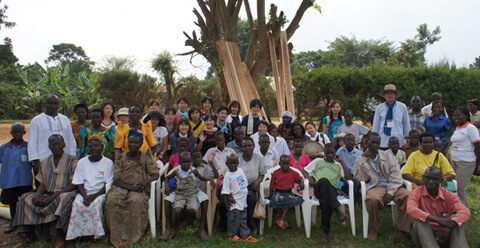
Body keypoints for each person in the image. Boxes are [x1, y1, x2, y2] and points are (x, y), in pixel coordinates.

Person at [13, 135, 78, 248]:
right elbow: (42, 183)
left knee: (64, 199)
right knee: (25, 198)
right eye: (53, 144)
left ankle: (59, 237)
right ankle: (28, 234)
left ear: (64, 145)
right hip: (48, 192)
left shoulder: (72, 160)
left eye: (58, 144)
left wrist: (55, 196)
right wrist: (38, 194)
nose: (56, 146)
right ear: (49, 146)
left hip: (65, 192)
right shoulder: (45, 161)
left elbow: (74, 183)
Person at [353, 132, 412, 241]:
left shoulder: (387, 156)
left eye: (377, 143)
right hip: (375, 187)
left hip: (392, 185)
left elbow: (396, 176)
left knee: (409, 197)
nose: (375, 145)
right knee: (371, 199)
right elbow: (359, 178)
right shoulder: (362, 157)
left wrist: (390, 193)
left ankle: (403, 230)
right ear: (367, 143)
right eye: (372, 142)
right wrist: (362, 159)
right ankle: (375, 228)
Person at [104, 131, 159, 247]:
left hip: (140, 188)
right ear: (127, 143)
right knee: (112, 200)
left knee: (136, 201)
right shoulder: (121, 158)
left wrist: (146, 181)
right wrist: (130, 187)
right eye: (131, 142)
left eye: (136, 142)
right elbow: (116, 179)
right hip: (122, 186)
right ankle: (116, 235)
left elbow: (155, 174)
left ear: (140, 144)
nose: (133, 144)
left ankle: (133, 236)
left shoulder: (145, 157)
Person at [407, 166, 471, 248]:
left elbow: (465, 212)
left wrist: (450, 224)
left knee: (457, 219)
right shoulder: (416, 192)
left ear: (441, 181)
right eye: (427, 178)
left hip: (445, 235)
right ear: (423, 179)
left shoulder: (448, 195)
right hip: (423, 236)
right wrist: (439, 220)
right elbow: (411, 209)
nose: (430, 182)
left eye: (435, 179)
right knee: (420, 220)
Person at [66, 135, 114, 241]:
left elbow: (107, 183)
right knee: (77, 204)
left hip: (100, 193)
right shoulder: (82, 162)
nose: (93, 148)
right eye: (91, 146)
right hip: (85, 192)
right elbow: (79, 182)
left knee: (95, 204)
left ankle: (97, 234)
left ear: (102, 147)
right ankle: (78, 235)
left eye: (96, 146)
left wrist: (94, 196)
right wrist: (85, 196)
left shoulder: (108, 163)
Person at [302, 143, 351, 244]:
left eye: (332, 153)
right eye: (327, 153)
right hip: (319, 189)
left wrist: (341, 161)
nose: (330, 155)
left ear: (335, 154)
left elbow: (348, 177)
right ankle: (337, 209)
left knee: (324, 202)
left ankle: (325, 233)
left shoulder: (338, 165)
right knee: (324, 180)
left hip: (332, 191)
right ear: (324, 153)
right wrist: (310, 180)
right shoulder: (317, 161)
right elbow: (304, 171)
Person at [163, 151, 215, 240]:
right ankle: (173, 229)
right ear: (179, 163)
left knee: (193, 209)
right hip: (180, 194)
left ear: (190, 162)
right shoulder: (177, 172)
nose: (186, 164)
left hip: (192, 193)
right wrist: (167, 187)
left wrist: (210, 179)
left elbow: (202, 178)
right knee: (177, 211)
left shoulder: (193, 171)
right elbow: (166, 178)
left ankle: (199, 227)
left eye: (188, 162)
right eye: (184, 162)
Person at [28, 94, 77, 176]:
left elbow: (71, 140)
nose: (53, 106)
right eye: (50, 103)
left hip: (65, 160)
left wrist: (72, 157)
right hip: (43, 159)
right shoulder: (36, 120)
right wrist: (36, 161)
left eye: (55, 103)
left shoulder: (65, 119)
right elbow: (32, 142)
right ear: (45, 104)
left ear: (59, 105)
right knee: (43, 185)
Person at [0, 123, 33, 234]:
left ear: (24, 132)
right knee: (11, 202)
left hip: (25, 180)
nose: (17, 134)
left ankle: (25, 223)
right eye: (15, 132)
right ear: (11, 133)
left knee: (26, 202)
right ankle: (13, 222)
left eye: (20, 131)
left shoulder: (28, 147)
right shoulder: (4, 148)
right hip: (10, 180)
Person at [221, 153, 258, 242]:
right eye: (230, 163)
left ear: (238, 163)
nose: (233, 165)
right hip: (234, 203)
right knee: (234, 220)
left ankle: (245, 235)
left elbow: (243, 182)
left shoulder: (240, 171)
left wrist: (246, 190)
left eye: (235, 163)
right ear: (227, 164)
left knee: (243, 219)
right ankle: (232, 235)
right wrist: (227, 206)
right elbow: (225, 192)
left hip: (243, 201)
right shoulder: (228, 176)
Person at [450, 106, 480, 206]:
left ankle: (463, 212)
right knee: (453, 186)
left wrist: (478, 164)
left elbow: (477, 146)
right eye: (454, 116)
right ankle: (454, 208)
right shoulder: (458, 128)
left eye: (459, 115)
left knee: (461, 188)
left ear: (466, 116)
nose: (456, 117)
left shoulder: (471, 128)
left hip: (466, 162)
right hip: (455, 160)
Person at [238, 137, 267, 232]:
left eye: (250, 145)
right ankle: (236, 224)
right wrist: (243, 189)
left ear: (254, 146)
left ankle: (250, 223)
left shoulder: (258, 158)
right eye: (244, 146)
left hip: (252, 185)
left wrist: (258, 181)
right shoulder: (237, 158)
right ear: (240, 148)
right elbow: (233, 175)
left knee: (252, 199)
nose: (247, 148)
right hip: (238, 186)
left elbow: (262, 173)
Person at [268, 155, 304, 229]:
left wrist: (302, 183)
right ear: (279, 164)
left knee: (289, 201)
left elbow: (300, 179)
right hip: (278, 191)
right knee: (277, 201)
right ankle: (284, 220)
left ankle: (282, 219)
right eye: (283, 164)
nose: (285, 166)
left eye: (287, 164)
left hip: (288, 192)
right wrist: (270, 192)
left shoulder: (293, 172)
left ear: (290, 164)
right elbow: (272, 184)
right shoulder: (276, 173)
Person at [372, 84, 410, 149]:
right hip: (383, 141)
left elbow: (406, 123)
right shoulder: (379, 108)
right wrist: (374, 140)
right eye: (387, 93)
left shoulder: (402, 107)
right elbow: (376, 125)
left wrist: (408, 138)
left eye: (392, 93)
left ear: (395, 94)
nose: (390, 95)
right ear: (384, 95)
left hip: (398, 142)